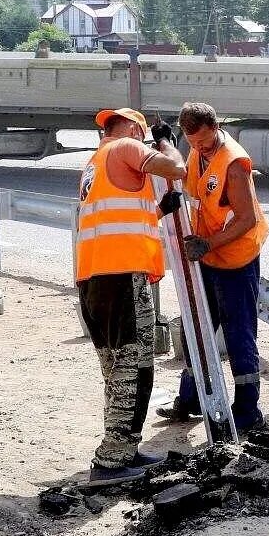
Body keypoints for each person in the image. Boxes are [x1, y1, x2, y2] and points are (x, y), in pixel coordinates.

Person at [76, 107, 186, 481]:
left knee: (115, 368)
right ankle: (112, 461)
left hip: (95, 275)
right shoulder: (126, 146)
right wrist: (167, 142)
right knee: (134, 367)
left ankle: (124, 449)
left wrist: (157, 211)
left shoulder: (96, 160)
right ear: (133, 129)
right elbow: (177, 169)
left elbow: (117, 217)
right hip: (121, 274)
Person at [158, 102, 269, 433]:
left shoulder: (234, 164)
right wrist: (164, 144)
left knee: (238, 332)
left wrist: (208, 243)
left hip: (236, 258)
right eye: (192, 143)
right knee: (196, 325)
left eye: (205, 142)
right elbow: (183, 179)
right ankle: (190, 399)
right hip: (206, 256)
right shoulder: (195, 151)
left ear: (215, 128)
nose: (199, 148)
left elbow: (247, 219)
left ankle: (248, 409)